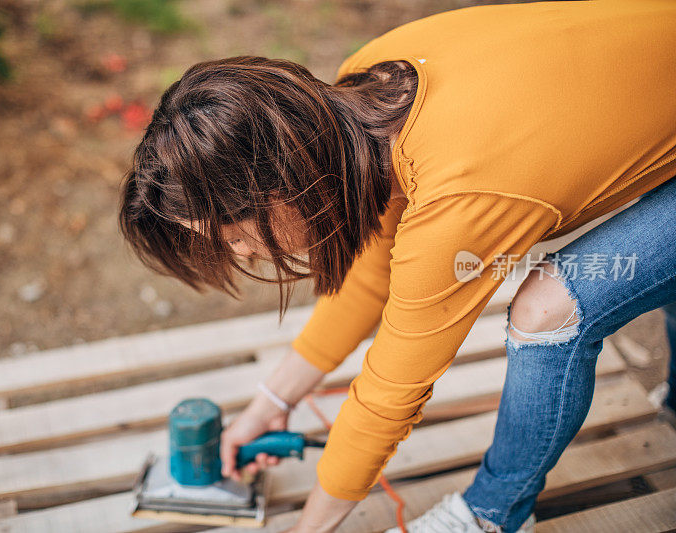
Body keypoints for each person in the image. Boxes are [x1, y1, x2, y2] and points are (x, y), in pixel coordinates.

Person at [118, 1, 676, 531]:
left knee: (549, 307)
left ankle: (493, 514)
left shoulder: (454, 200)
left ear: (281, 187)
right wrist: (273, 402)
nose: (240, 252)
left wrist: (309, 528)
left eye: (236, 234)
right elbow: (373, 271)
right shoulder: (362, 88)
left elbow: (390, 393)